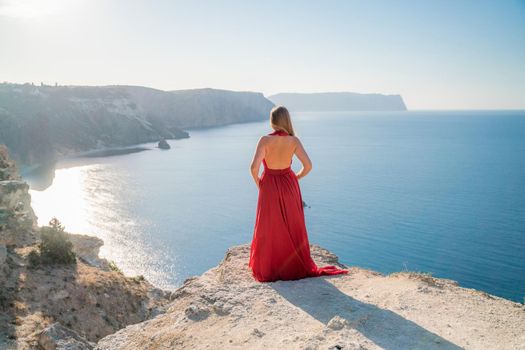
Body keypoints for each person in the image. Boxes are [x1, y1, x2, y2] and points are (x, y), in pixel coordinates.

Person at [248, 105, 349, 282]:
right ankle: (291, 264)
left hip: (269, 185)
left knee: (269, 225)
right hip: (289, 184)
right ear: (287, 120)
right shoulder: (294, 141)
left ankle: (269, 266)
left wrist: (260, 183)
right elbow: (308, 166)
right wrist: (295, 178)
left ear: (272, 121)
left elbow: (254, 168)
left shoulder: (264, 140)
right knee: (292, 224)